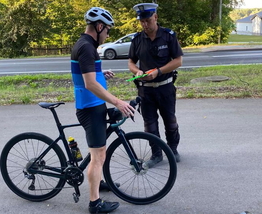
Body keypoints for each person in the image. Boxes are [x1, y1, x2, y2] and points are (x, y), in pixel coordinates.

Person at [71, 7, 134, 214]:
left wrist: (100, 72)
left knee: (100, 153)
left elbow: (87, 75)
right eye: (107, 30)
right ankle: (94, 204)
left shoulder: (86, 44)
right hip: (89, 108)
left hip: (93, 105)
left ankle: (96, 182)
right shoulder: (86, 47)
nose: (107, 34)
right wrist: (118, 102)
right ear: (99, 26)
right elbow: (89, 84)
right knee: (97, 157)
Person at [128, 3, 183, 167]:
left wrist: (158, 72)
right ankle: (156, 154)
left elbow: (178, 61)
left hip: (165, 87)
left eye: (148, 20)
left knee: (170, 121)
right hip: (146, 91)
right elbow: (131, 61)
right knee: (149, 125)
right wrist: (136, 71)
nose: (145, 24)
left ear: (155, 17)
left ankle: (172, 150)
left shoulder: (168, 36)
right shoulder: (137, 39)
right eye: (142, 21)